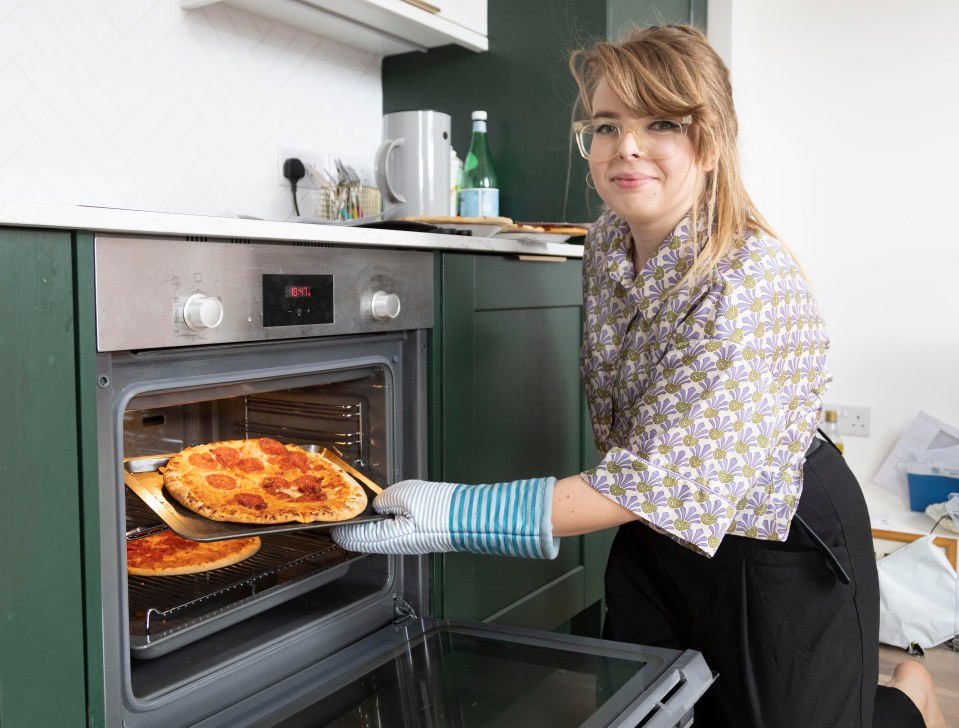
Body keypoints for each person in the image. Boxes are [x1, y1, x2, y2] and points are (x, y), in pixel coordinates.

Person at [333, 25, 946, 728]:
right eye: (604, 125)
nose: (624, 145)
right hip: (655, 532)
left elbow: (662, 478)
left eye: (658, 122)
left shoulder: (749, 280)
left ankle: (908, 698)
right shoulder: (604, 243)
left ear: (707, 142)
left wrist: (454, 515)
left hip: (773, 536)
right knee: (653, 710)